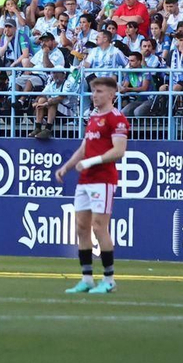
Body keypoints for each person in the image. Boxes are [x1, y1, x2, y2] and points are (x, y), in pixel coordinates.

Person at [55, 75, 128, 295]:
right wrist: (67, 167)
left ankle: (109, 279)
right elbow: (85, 146)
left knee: (99, 227)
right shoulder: (93, 118)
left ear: (111, 94)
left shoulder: (117, 119)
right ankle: (87, 278)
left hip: (103, 179)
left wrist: (91, 161)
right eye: (93, 91)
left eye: (99, 92)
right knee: (81, 227)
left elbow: (119, 151)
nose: (94, 96)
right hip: (85, 179)